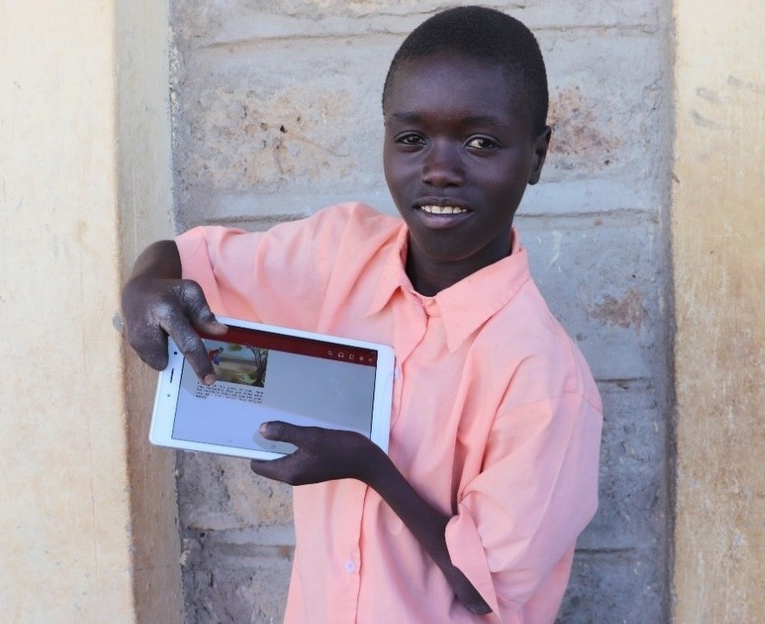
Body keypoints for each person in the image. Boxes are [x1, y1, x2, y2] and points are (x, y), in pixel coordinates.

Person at [122, 6, 602, 623]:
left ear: (536, 157)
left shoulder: (545, 381)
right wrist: (144, 286)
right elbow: (187, 259)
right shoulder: (340, 252)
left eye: (482, 142)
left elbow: (486, 589)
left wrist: (371, 467)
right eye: (411, 138)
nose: (439, 169)